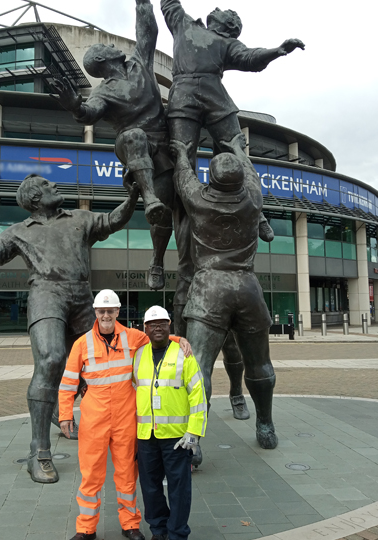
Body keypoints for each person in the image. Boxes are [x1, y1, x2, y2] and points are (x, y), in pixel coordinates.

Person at [0, 174, 140, 483]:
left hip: (82, 296)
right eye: (46, 185)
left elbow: (112, 220)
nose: (55, 186)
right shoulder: (19, 231)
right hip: (46, 295)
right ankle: (38, 451)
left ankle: (76, 417)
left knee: (101, 363)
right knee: (52, 359)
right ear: (35, 198)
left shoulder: (80, 219)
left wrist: (133, 197)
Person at [50, 0, 174, 291]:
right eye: (106, 47)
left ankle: (157, 259)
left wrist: (143, 3)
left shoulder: (139, 62)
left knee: (166, 209)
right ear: (103, 59)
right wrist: (74, 106)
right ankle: (150, 198)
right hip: (129, 143)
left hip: (162, 142)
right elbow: (89, 113)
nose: (112, 46)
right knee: (134, 137)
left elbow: (147, 32)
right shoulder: (103, 91)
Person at [169, 136, 278, 449]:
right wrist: (238, 148)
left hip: (209, 287)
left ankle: (195, 441)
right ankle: (266, 426)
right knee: (259, 363)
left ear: (212, 180)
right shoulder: (254, 198)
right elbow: (251, 172)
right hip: (247, 286)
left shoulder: (199, 201)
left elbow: (184, 177)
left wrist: (180, 153)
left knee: (199, 365)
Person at [58, 290, 190, 540]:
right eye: (101, 311)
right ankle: (86, 528)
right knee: (91, 475)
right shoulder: (81, 344)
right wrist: (65, 415)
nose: (106, 315)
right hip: (93, 421)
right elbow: (68, 382)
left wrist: (178, 338)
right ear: (95, 313)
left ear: (118, 312)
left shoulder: (133, 337)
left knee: (128, 475)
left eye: (110, 311)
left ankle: (130, 524)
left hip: (125, 420)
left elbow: (157, 335)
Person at [159, 0, 304, 169]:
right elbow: (169, 4)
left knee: (235, 149)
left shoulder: (228, 43)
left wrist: (277, 51)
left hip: (215, 99)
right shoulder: (184, 24)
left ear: (229, 23)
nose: (217, 8)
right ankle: (181, 194)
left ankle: (230, 190)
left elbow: (249, 57)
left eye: (224, 11)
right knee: (181, 154)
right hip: (183, 98)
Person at [134, 305, 207, 540]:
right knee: (150, 488)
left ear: (169, 327)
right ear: (145, 328)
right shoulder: (137, 355)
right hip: (147, 437)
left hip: (177, 438)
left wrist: (194, 432)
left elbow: (197, 394)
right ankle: (159, 530)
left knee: (179, 489)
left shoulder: (183, 354)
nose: (157, 328)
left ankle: (177, 533)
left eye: (162, 324)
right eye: (152, 324)